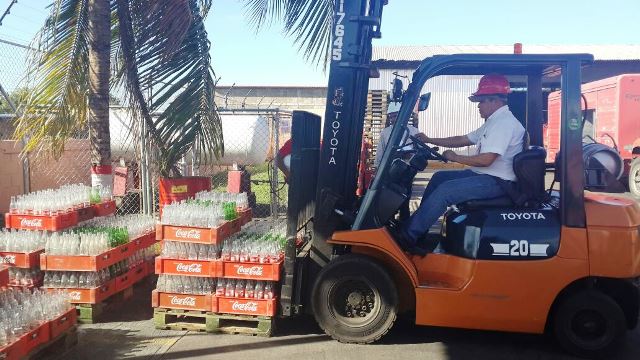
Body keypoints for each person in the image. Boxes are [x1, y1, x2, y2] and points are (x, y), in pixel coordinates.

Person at [396, 74, 525, 254]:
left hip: (498, 181)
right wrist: (429, 139)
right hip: (487, 176)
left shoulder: (504, 124)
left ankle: (406, 237)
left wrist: (456, 157)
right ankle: (419, 231)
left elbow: (487, 160)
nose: (478, 106)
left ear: (494, 101)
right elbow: (464, 139)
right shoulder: (494, 122)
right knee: (439, 178)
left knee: (446, 191)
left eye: (480, 101)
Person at [375, 101, 421, 219]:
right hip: (390, 170)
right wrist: (377, 168)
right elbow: (381, 151)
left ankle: (404, 222)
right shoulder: (386, 133)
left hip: (407, 170)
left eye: (395, 115)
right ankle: (388, 220)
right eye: (391, 116)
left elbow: (419, 150)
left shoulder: (414, 132)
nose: (393, 119)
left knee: (405, 197)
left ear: (403, 116)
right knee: (388, 197)